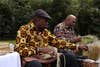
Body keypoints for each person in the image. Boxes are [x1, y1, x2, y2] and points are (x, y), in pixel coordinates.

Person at [15, 9, 80, 67]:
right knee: (35, 64)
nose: (47, 23)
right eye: (46, 21)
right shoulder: (24, 30)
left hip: (45, 58)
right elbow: (19, 50)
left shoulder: (45, 32)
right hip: (30, 59)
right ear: (38, 19)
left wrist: (76, 46)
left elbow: (58, 42)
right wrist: (39, 49)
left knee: (69, 57)